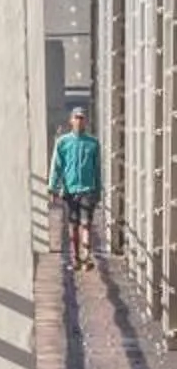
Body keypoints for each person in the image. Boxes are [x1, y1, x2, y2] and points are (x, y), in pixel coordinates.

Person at [52, 107, 103, 270]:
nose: (79, 120)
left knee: (86, 223)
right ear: (71, 120)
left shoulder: (93, 143)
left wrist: (98, 190)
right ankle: (76, 257)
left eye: (82, 117)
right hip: (69, 189)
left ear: (85, 121)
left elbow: (97, 168)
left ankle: (86, 257)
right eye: (76, 117)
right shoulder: (63, 142)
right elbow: (57, 166)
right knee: (73, 224)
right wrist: (53, 187)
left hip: (88, 188)